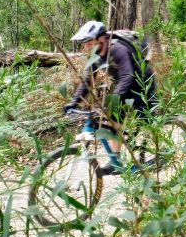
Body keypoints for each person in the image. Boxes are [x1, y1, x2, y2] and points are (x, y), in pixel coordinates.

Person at [63, 20, 157, 174]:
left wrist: (114, 98)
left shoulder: (117, 49)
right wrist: (74, 101)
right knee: (113, 122)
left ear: (100, 39)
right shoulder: (94, 55)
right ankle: (116, 161)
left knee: (147, 120)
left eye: (88, 42)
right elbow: (87, 80)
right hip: (124, 84)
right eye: (84, 43)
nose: (85, 46)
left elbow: (128, 75)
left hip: (143, 83)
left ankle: (159, 150)